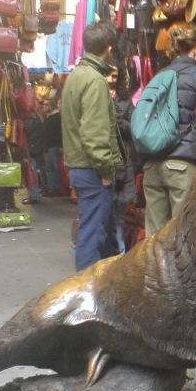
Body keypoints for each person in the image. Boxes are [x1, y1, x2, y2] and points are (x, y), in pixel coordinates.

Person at [61, 21, 123, 272]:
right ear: (109, 49)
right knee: (92, 236)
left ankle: (95, 288)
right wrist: (107, 172)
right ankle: (86, 293)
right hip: (92, 170)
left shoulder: (75, 77)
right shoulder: (95, 82)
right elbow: (94, 136)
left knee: (93, 232)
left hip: (80, 167)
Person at [141, 25, 196, 236]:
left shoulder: (159, 76)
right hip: (181, 166)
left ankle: (153, 271)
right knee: (182, 236)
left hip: (153, 164)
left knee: (153, 241)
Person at [108, 64, 138, 253]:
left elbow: (135, 129)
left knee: (117, 214)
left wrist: (122, 124)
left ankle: (118, 253)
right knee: (103, 213)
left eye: (114, 76)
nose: (111, 79)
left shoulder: (126, 102)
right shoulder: (96, 94)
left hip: (122, 162)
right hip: (105, 160)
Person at [42, 98, 63, 197]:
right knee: (49, 168)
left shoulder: (56, 117)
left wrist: (60, 145)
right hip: (48, 146)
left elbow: (59, 133)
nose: (44, 107)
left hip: (54, 146)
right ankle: (52, 189)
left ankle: (57, 189)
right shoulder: (48, 118)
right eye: (44, 105)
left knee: (55, 168)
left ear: (52, 106)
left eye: (47, 105)